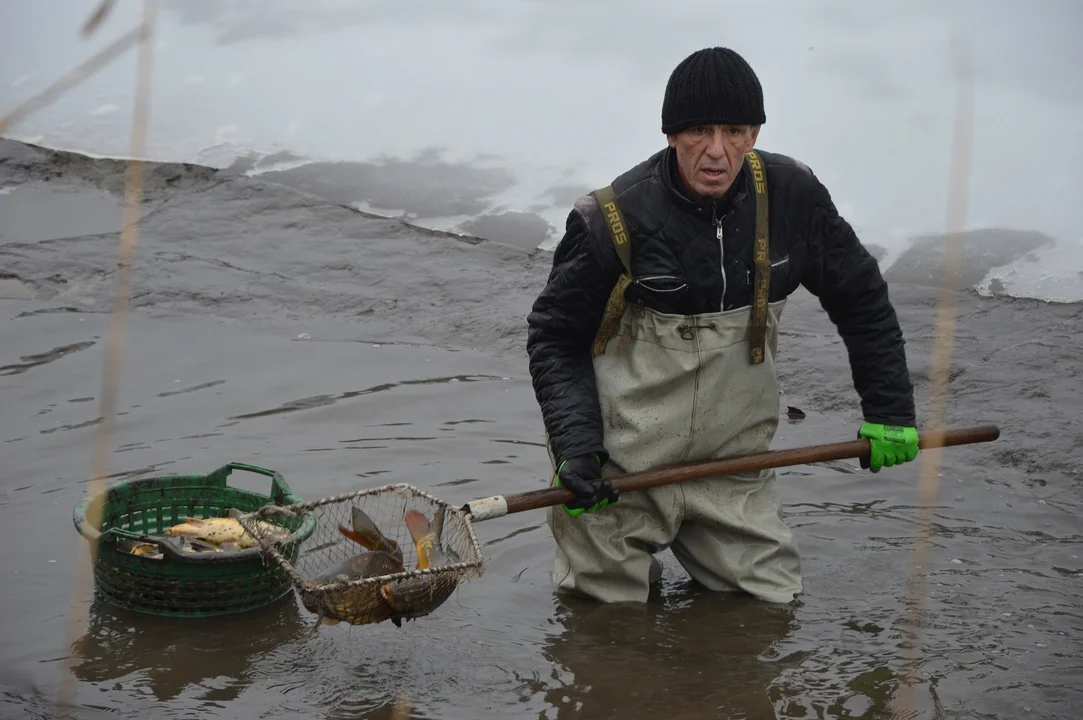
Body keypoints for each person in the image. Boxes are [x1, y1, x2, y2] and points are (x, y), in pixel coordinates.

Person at [525, 46, 919, 605]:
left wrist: (890, 411)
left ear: (754, 133)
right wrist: (576, 450)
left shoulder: (794, 198)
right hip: (618, 472)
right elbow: (555, 337)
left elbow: (862, 300)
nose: (717, 151)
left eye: (734, 131)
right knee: (604, 632)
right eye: (699, 131)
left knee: (765, 613)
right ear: (670, 135)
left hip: (734, 466)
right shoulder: (610, 220)